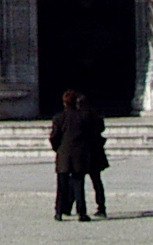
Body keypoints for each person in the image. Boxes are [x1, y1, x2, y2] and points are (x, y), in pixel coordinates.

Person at [49, 89, 94, 222]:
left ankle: (59, 211)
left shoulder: (58, 118)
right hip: (79, 155)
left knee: (61, 186)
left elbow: (54, 137)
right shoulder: (83, 117)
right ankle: (81, 212)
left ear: (64, 103)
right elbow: (89, 135)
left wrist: (58, 149)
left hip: (63, 155)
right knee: (78, 185)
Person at [78, 95, 109, 218]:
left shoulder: (80, 118)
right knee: (97, 181)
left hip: (84, 153)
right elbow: (101, 129)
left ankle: (77, 207)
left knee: (78, 181)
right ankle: (101, 206)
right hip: (95, 152)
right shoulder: (96, 117)